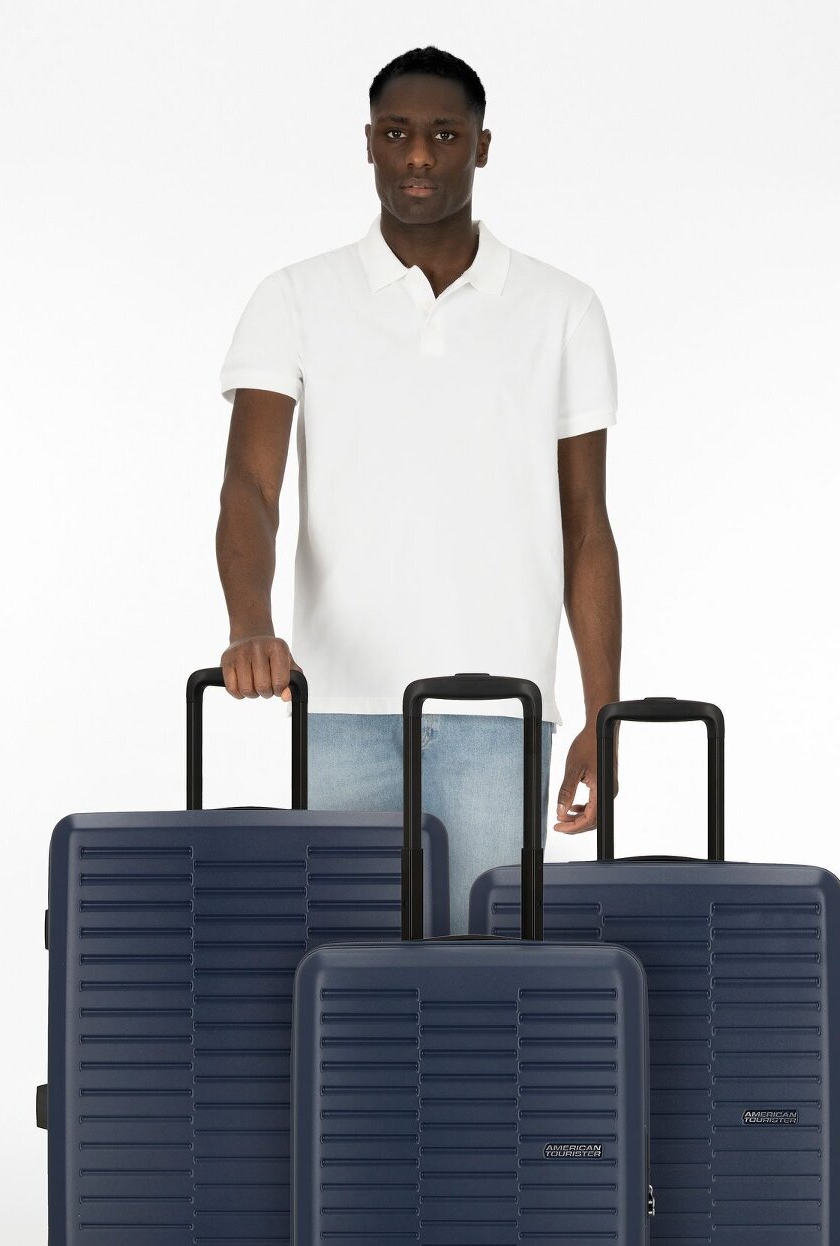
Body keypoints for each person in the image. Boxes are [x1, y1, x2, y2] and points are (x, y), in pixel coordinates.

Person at [215, 45, 621, 932]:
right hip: (342, 708)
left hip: (501, 710)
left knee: (485, 976)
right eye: (397, 134)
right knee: (347, 975)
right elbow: (249, 486)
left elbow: (587, 525)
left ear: (483, 146)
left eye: (444, 134)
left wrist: (602, 712)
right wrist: (249, 623)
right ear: (368, 144)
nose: (420, 157)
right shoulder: (295, 298)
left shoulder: (563, 309)